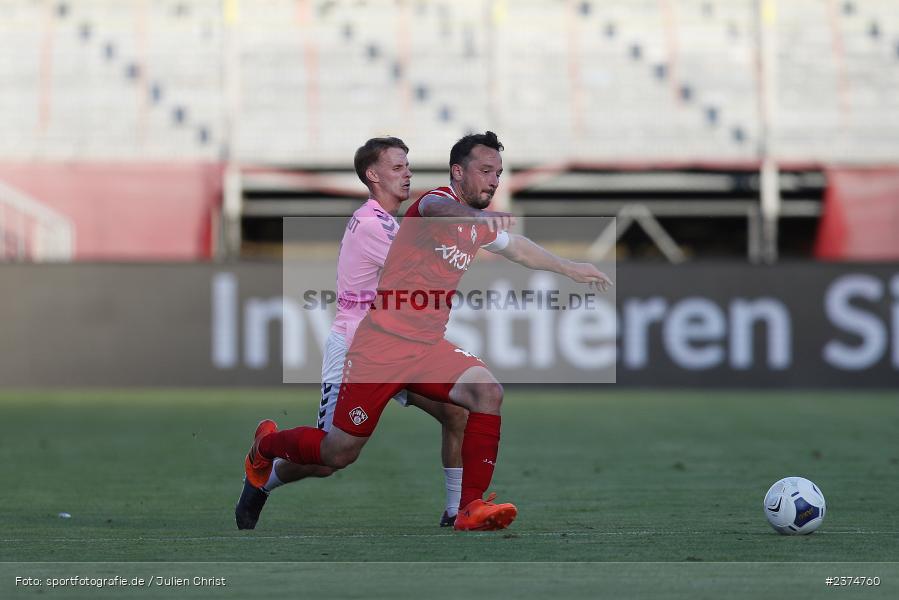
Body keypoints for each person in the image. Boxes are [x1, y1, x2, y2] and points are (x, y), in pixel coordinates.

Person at [242, 131, 612, 531]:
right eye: (485, 171)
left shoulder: (463, 220)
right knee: (336, 454)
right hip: (375, 346)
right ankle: (266, 447)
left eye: (499, 173)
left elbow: (517, 247)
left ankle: (466, 508)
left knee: (480, 395)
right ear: (457, 172)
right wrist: (478, 221)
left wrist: (571, 267)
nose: (494, 180)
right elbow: (436, 208)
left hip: (424, 346)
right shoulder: (424, 207)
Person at [235, 137, 468, 530]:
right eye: (397, 168)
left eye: (408, 166)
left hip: (399, 347)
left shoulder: (392, 223)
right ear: (372, 175)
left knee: (457, 410)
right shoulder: (372, 225)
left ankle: (455, 512)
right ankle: (264, 457)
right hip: (359, 351)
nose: (407, 173)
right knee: (333, 457)